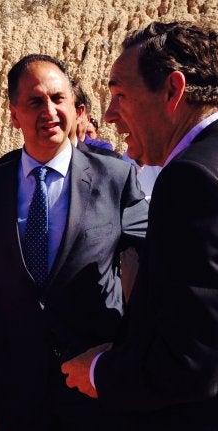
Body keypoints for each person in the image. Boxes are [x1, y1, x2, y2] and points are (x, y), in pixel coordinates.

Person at [0, 54, 149, 430]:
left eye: (58, 98)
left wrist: (129, 356)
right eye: (34, 102)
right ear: (14, 115)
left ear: (74, 107)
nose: (48, 110)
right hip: (15, 386)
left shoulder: (116, 178)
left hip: (94, 377)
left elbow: (150, 272)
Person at [61, 21, 218, 430]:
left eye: (120, 95)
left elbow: (192, 361)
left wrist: (99, 371)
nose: (110, 115)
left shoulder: (191, 179)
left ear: (172, 90)